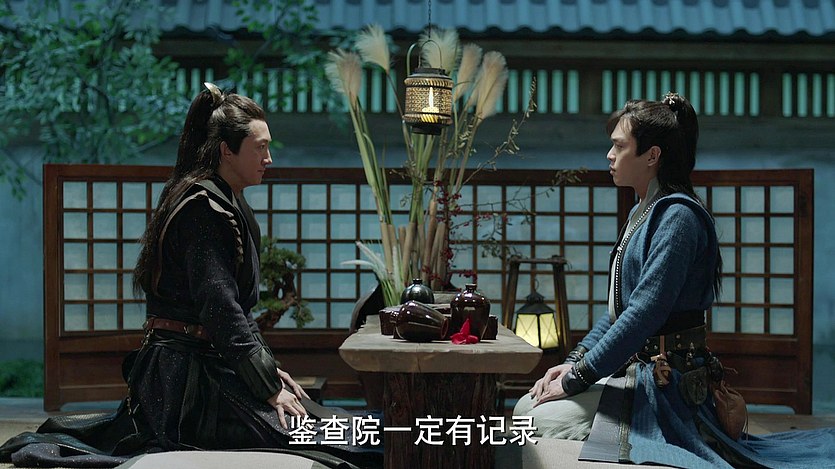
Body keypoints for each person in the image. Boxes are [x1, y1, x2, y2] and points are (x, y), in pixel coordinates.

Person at [0, 84, 381, 469]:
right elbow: (220, 308)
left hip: (215, 365)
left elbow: (238, 312)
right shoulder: (203, 209)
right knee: (313, 436)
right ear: (226, 151)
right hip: (185, 381)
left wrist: (269, 372)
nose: (269, 158)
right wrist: (266, 388)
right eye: (260, 147)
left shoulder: (227, 201)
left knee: (328, 422)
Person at [514, 93, 835, 468]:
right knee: (527, 406)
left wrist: (576, 379)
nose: (609, 155)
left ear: (652, 155)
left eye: (619, 146)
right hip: (632, 369)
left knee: (533, 418)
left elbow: (643, 314)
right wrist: (573, 362)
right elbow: (619, 311)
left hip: (664, 380)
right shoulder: (642, 211)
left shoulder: (677, 217)